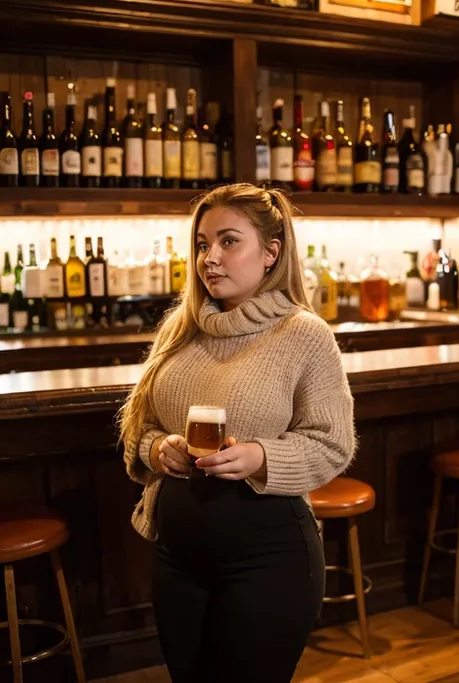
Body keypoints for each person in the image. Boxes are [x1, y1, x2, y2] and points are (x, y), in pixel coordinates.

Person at [119, 183, 356, 683]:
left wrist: (260, 457)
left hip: (268, 559)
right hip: (177, 557)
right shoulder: (180, 328)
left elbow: (332, 443)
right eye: (203, 244)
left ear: (271, 252)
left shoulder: (303, 334)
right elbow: (138, 425)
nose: (210, 258)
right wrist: (156, 448)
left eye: (229, 241)